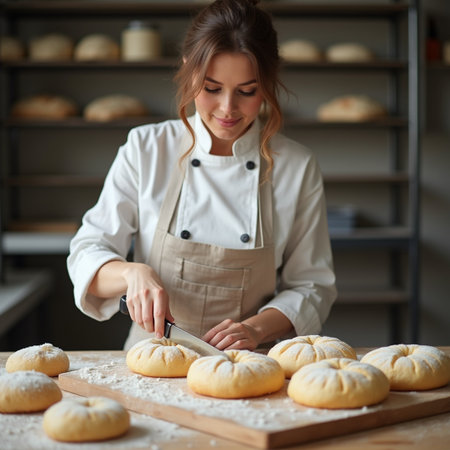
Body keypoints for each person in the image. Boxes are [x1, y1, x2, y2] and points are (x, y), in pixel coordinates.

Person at [67, 0, 337, 351]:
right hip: (154, 355)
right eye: (211, 89)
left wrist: (254, 329)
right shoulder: (147, 148)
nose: (227, 108)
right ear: (188, 71)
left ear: (268, 84)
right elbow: (88, 251)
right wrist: (132, 273)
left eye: (247, 91)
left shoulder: (295, 166)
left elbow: (313, 285)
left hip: (250, 363)